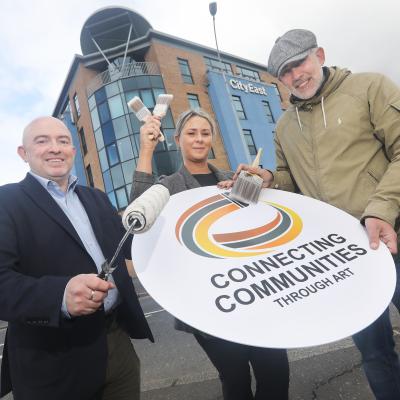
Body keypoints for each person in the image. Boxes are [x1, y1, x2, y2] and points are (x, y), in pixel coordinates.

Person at [231, 29, 400, 399]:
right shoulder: (284, 126)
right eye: (285, 73)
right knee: (375, 354)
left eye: (300, 63)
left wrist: (382, 210)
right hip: (347, 256)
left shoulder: (370, 88)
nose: (295, 76)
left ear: (319, 54)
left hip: (392, 235)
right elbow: (291, 180)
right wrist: (269, 180)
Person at [130, 108, 289, 400]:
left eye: (205, 133)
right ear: (178, 139)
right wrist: (146, 149)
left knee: (276, 373)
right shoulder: (169, 186)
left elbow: (259, 228)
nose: (199, 139)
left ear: (213, 138)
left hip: (254, 295)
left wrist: (253, 187)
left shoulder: (233, 178)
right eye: (192, 133)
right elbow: (139, 218)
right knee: (236, 380)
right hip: (207, 305)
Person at [0, 116, 153, 400]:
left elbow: (132, 241)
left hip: (117, 345)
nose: (55, 148)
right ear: (24, 153)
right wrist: (60, 295)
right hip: (54, 364)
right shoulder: (6, 202)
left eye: (63, 141)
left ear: (73, 150)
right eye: (42, 141)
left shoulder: (96, 198)